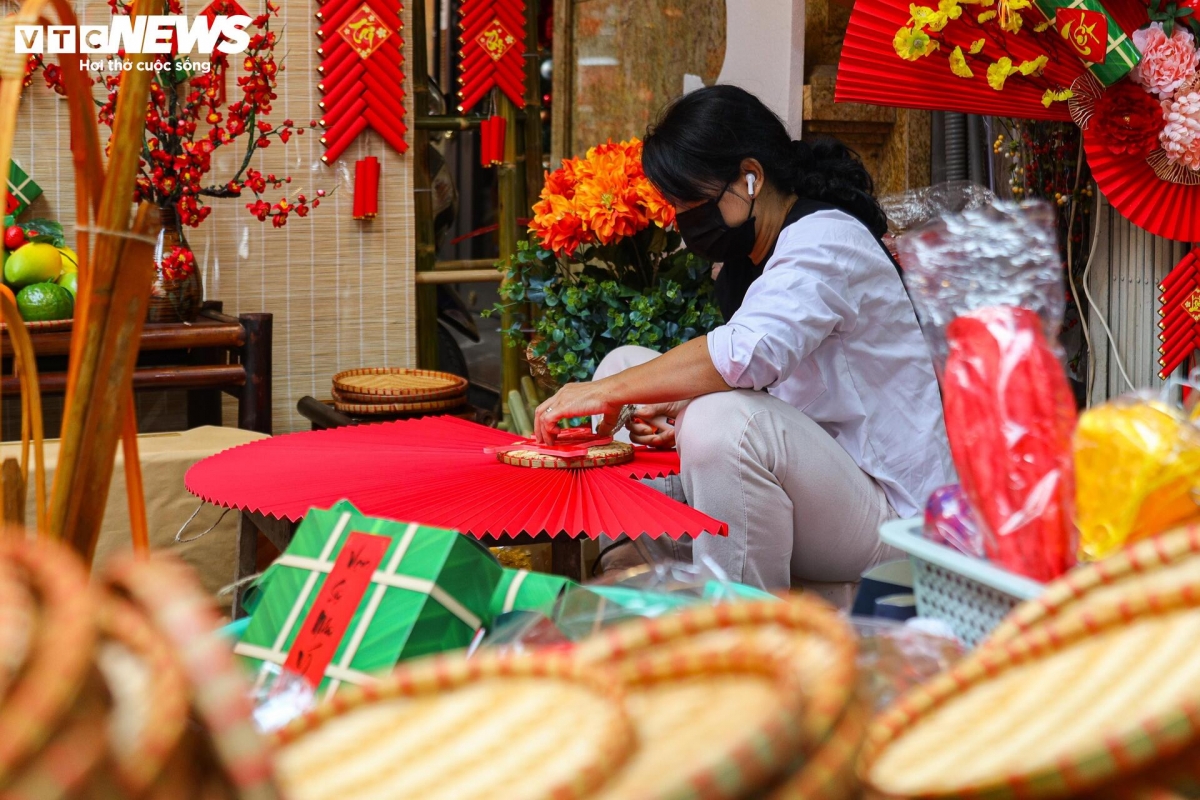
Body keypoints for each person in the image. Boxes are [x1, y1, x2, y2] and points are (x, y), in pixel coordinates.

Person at [532, 85, 954, 605]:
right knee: (624, 365)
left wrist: (616, 395)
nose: (688, 226)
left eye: (693, 204)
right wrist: (662, 400)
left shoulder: (826, 239)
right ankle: (624, 557)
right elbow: (775, 383)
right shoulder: (752, 257)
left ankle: (740, 625)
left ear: (750, 178)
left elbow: (746, 355)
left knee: (724, 425)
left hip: (889, 515)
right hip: (820, 476)